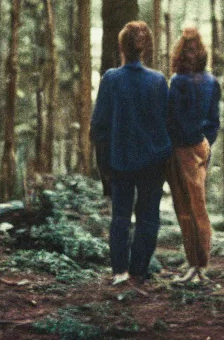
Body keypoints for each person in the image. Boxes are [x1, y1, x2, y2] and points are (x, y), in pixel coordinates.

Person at [91, 21, 171, 285]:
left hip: (120, 161)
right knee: (148, 217)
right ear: (145, 49)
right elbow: (166, 124)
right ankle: (138, 271)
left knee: (120, 217)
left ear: (121, 48)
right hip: (152, 161)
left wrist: (104, 165)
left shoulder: (111, 79)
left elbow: (98, 127)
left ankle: (119, 273)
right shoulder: (158, 81)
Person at [166, 27, 221, 284]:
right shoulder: (212, 81)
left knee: (187, 209)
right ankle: (199, 266)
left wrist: (184, 144)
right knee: (198, 206)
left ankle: (196, 266)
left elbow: (173, 118)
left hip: (182, 148)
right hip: (201, 146)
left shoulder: (178, 82)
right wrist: (205, 145)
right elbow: (213, 121)